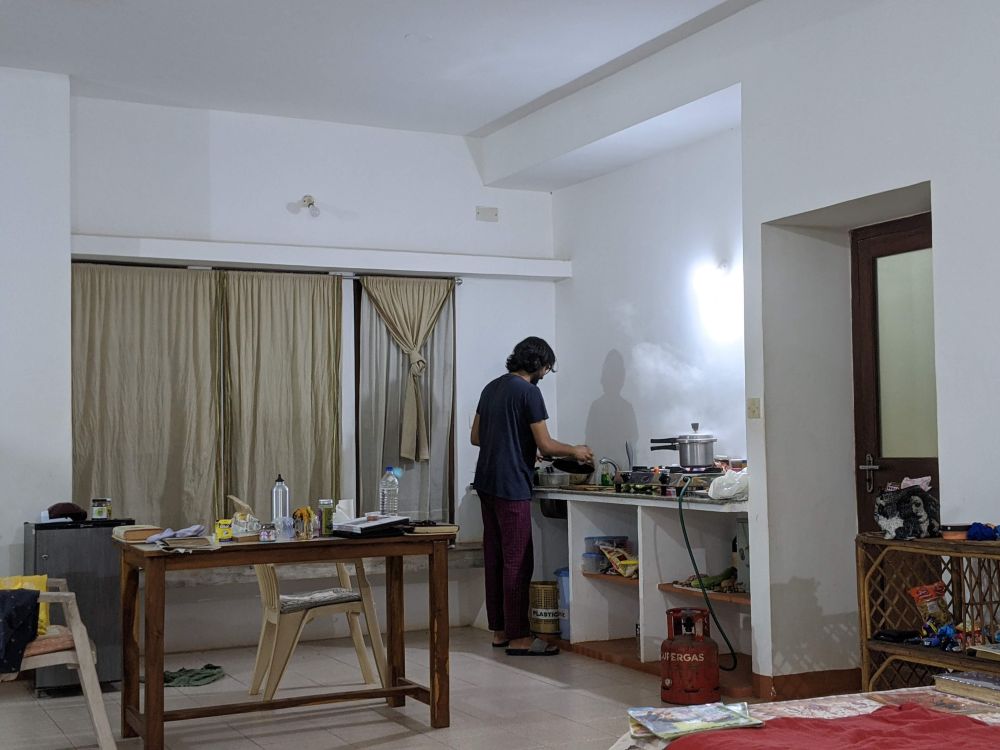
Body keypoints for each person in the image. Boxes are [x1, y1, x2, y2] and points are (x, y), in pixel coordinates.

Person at [471, 337, 593, 656]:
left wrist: (513, 445)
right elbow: (548, 446)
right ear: (539, 364)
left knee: (496, 559)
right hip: (511, 485)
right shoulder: (529, 392)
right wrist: (576, 450)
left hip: (485, 482)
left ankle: (500, 631)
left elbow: (476, 437)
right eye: (547, 369)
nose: (545, 374)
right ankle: (521, 638)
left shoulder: (491, 388)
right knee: (518, 560)